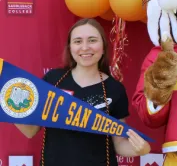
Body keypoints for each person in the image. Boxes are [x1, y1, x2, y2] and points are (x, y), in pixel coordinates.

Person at [15, 18, 151, 166]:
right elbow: (31, 131)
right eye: (78, 41)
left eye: (92, 40)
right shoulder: (53, 80)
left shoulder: (114, 89)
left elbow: (119, 144)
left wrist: (140, 149)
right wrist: (11, 107)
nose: (85, 47)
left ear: (103, 46)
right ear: (70, 47)